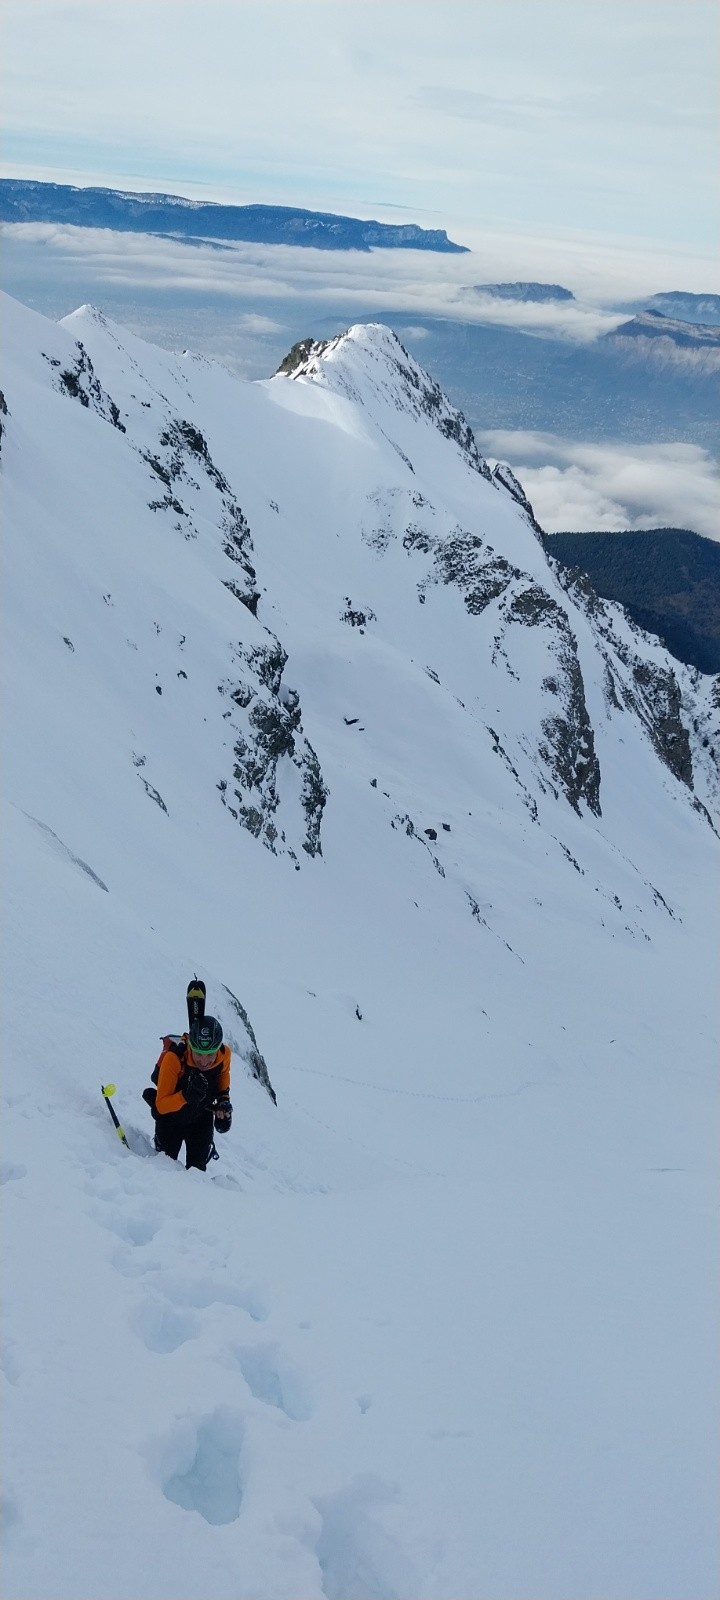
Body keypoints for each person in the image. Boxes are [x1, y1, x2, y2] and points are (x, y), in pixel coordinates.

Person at [152, 1015, 232, 1171]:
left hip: (201, 1120)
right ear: (190, 1047)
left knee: (198, 1174)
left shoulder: (224, 1055)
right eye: (198, 1054)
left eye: (210, 1054)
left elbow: (223, 1075)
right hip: (171, 1122)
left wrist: (223, 1101)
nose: (204, 1061)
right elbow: (161, 1105)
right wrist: (185, 1096)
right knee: (163, 1170)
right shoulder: (174, 1059)